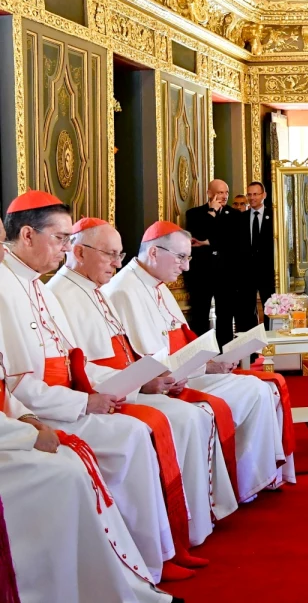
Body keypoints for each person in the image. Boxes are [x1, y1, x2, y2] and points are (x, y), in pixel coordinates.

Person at [0, 192, 176, 584]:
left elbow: (70, 361)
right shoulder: (6, 287)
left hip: (56, 403)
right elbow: (18, 383)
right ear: (27, 235)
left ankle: (150, 557)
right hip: (44, 410)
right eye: (60, 239)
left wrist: (104, 392)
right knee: (128, 437)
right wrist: (81, 403)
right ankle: (131, 565)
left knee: (134, 432)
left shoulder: (38, 284)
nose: (65, 249)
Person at [48, 218, 239, 554]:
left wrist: (147, 379)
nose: (117, 263)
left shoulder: (93, 287)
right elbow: (75, 367)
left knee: (192, 416)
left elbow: (126, 350)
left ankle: (192, 523)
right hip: (97, 395)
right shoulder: (59, 294)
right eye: (110, 254)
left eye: (119, 254)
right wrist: (140, 384)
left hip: (123, 385)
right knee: (183, 419)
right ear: (79, 252)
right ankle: (166, 535)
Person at [105, 221, 294, 502]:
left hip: (186, 373)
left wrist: (212, 362)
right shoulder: (123, 290)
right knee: (254, 391)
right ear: (154, 252)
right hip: (166, 384)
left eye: (188, 258)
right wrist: (206, 366)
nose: (186, 267)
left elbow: (180, 342)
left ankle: (250, 479)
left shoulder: (157, 284)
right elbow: (148, 360)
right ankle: (238, 483)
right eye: (181, 257)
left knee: (262, 388)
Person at [0, 387, 174, 603]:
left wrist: (28, 420)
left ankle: (108, 581)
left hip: (11, 431)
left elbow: (5, 393)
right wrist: (29, 435)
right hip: (9, 437)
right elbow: (23, 387)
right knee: (66, 474)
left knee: (73, 466)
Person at [183, 179, 235, 340]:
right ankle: (202, 351)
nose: (224, 196)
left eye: (226, 192)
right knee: (199, 316)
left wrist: (208, 242)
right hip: (201, 274)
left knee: (225, 316)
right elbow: (198, 236)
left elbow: (232, 242)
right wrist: (211, 213)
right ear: (209, 193)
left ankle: (225, 351)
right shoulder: (194, 214)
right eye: (220, 192)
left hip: (225, 273)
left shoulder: (234, 215)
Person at [228, 181, 275, 333]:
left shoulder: (274, 216)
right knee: (246, 312)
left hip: (268, 272)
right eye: (249, 194)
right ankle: (250, 344)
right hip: (245, 273)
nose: (252, 197)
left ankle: (270, 340)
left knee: (271, 309)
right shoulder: (240, 218)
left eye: (256, 194)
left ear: (264, 195)